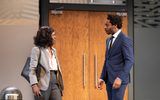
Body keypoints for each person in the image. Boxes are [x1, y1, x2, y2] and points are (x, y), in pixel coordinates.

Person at [97, 14, 134, 100]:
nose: (104, 27)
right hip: (109, 79)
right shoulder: (108, 40)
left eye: (107, 25)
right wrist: (102, 77)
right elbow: (107, 60)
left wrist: (120, 78)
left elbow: (130, 60)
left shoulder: (124, 39)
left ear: (115, 25)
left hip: (119, 80)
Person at [29, 26, 64, 100]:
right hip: (42, 82)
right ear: (47, 37)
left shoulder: (54, 50)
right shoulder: (37, 50)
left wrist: (60, 84)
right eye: (53, 35)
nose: (55, 37)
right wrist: (34, 84)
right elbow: (32, 69)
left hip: (55, 82)